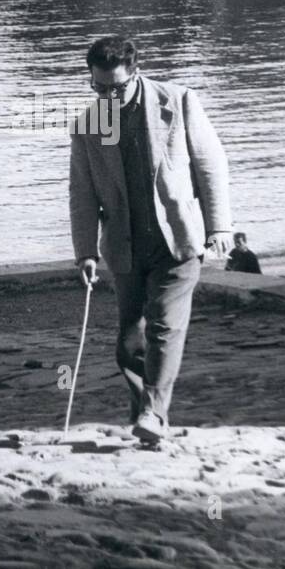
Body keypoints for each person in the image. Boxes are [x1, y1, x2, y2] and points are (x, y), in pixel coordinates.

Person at [69, 35, 233, 447]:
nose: (108, 96)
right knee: (129, 341)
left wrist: (220, 227)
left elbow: (211, 165)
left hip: (176, 239)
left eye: (116, 87)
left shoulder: (178, 102)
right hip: (125, 245)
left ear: (136, 73)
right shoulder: (90, 123)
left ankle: (153, 413)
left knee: (163, 324)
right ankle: (146, 413)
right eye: (99, 88)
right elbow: (82, 192)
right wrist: (85, 251)